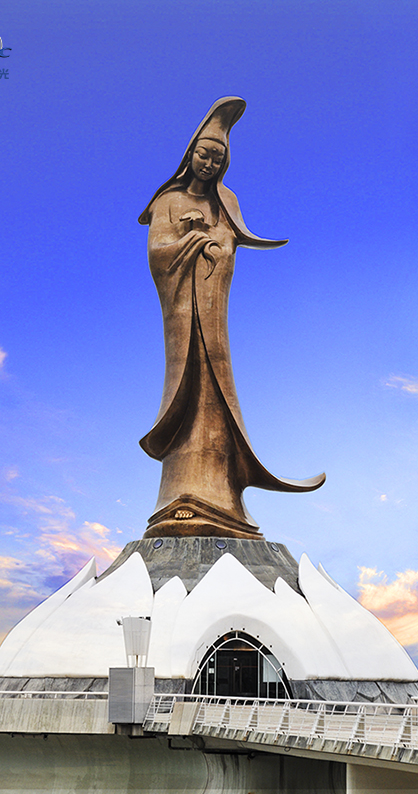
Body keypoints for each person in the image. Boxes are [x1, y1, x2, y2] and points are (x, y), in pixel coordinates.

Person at [139, 97, 325, 539]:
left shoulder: (227, 202)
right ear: (190, 154)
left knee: (217, 388)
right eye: (204, 155)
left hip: (211, 309)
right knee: (189, 386)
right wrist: (188, 237)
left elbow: (228, 245)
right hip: (184, 312)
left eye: (217, 159)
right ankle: (180, 494)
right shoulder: (168, 200)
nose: (209, 164)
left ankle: (222, 496)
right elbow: (158, 254)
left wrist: (211, 244)